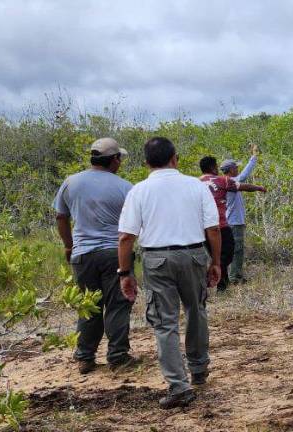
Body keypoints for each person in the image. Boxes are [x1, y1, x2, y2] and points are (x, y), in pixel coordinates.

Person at [118, 137, 221, 409]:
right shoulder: (196, 187)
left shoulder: (139, 191)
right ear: (175, 158)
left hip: (156, 259)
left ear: (146, 163)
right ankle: (199, 368)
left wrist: (125, 272)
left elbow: (126, 237)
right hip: (194, 254)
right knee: (196, 310)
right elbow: (213, 229)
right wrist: (216, 262)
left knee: (165, 323)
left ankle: (178, 385)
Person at [53, 137, 140, 375]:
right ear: (114, 160)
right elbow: (133, 225)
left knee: (88, 307)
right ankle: (118, 356)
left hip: (82, 255)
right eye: (119, 158)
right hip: (115, 254)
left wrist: (69, 246)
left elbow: (61, 217)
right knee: (118, 305)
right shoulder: (125, 187)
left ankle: (85, 357)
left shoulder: (70, 183)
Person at [198, 156, 264, 291]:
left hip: (202, 227)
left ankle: (222, 286)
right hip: (220, 225)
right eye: (216, 166)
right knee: (227, 254)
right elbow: (243, 186)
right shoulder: (223, 181)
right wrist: (258, 187)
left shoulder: (195, 182)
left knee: (216, 256)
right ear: (212, 168)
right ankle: (210, 278)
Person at [220, 144, 266, 284]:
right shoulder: (231, 182)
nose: (238, 169)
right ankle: (235, 277)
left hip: (231, 221)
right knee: (237, 250)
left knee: (233, 250)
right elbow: (244, 175)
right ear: (230, 170)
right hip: (234, 222)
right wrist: (253, 157)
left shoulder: (225, 182)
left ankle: (233, 276)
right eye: (235, 167)